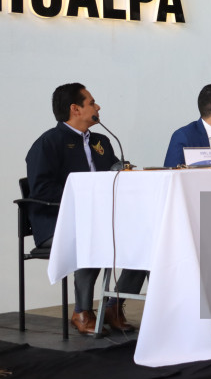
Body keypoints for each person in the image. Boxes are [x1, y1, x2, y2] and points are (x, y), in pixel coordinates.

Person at [26, 83, 147, 335]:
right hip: (58, 224)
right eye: (92, 102)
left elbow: (112, 181)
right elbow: (40, 190)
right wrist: (86, 196)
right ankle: (82, 311)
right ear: (75, 109)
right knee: (91, 237)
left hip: (100, 220)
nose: (98, 106)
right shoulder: (48, 143)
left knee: (147, 239)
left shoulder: (101, 141)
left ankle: (114, 306)